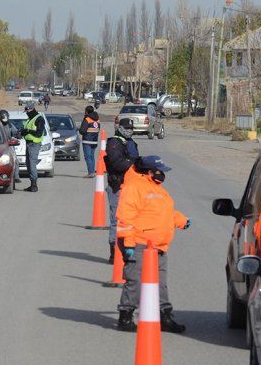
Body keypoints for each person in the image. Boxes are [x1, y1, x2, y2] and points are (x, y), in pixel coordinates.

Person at [115, 156, 190, 333]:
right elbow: (125, 217)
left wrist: (182, 221)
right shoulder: (133, 188)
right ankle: (125, 316)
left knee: (161, 283)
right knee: (135, 280)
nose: (163, 174)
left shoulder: (157, 188)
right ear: (149, 172)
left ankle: (164, 316)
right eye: (159, 170)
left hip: (159, 246)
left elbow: (165, 213)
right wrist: (128, 244)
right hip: (139, 243)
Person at [104, 117, 139, 263]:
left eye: (131, 128)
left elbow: (136, 160)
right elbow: (117, 163)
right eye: (127, 128)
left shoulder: (130, 143)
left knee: (131, 220)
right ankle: (114, 252)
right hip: (117, 185)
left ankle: (128, 249)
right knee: (116, 220)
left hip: (132, 187)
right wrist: (133, 165)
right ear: (121, 128)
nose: (129, 131)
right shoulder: (114, 142)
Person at [19, 101, 46, 192]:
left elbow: (38, 133)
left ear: (31, 109)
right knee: (29, 164)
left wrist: (28, 131)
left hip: (34, 144)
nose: (26, 113)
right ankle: (32, 184)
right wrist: (22, 132)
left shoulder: (39, 119)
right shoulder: (30, 119)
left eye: (27, 111)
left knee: (32, 164)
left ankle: (34, 185)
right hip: (28, 144)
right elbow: (26, 130)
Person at [0, 109, 20, 184]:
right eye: (3, 117)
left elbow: (15, 132)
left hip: (9, 145)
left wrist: (18, 134)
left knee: (15, 161)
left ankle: (16, 177)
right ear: (0, 117)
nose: (5, 119)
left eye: (6, 117)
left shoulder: (10, 125)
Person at [78, 105, 100, 178]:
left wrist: (79, 129)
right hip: (94, 141)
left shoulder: (87, 119)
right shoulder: (97, 120)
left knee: (87, 157)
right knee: (92, 157)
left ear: (86, 111)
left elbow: (82, 131)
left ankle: (90, 172)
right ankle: (92, 171)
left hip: (87, 141)